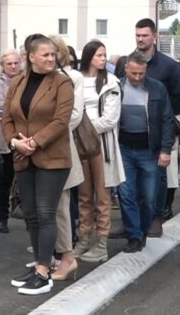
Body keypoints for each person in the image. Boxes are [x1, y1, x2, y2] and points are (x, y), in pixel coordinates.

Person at [2, 34, 74, 295]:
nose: (51, 59)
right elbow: (6, 118)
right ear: (30, 57)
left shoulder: (62, 83)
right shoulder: (17, 83)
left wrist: (33, 142)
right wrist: (14, 142)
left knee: (45, 213)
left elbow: (61, 120)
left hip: (52, 158)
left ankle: (44, 272)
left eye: (53, 54)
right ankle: (39, 265)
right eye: (45, 55)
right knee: (31, 214)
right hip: (23, 157)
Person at [112, 18, 180, 239]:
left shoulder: (169, 66)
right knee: (128, 186)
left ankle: (155, 218)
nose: (141, 39)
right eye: (138, 35)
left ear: (155, 36)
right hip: (128, 138)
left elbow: (177, 100)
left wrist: (166, 141)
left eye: (145, 35)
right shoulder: (126, 62)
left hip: (157, 134)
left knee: (156, 182)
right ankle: (131, 225)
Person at [117, 51, 175, 253]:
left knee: (149, 197)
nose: (137, 77)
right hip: (123, 149)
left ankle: (142, 230)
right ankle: (133, 235)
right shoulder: (116, 88)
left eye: (141, 73)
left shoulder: (157, 88)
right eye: (133, 73)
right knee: (126, 194)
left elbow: (167, 120)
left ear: (146, 70)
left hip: (149, 150)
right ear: (126, 68)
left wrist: (165, 149)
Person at [72, 40, 124, 263]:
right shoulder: (76, 79)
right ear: (89, 56)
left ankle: (101, 244)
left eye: (104, 55)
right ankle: (84, 238)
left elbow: (110, 119)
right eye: (99, 55)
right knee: (84, 195)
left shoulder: (111, 82)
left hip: (101, 144)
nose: (103, 59)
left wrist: (84, 129)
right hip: (80, 144)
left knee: (103, 196)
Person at [48, 35, 85, 281]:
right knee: (42, 208)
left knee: (61, 206)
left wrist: (45, 133)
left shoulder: (73, 78)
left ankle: (67, 258)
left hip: (60, 147)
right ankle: (46, 257)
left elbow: (75, 115)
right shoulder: (37, 79)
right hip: (38, 149)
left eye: (51, 53)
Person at [0, 49, 23, 234]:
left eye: (16, 63)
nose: (13, 66)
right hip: (4, 139)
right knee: (3, 180)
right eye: (9, 63)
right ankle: (1, 218)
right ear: (2, 66)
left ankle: (27, 215)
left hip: (25, 137)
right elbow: (2, 107)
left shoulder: (27, 80)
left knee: (26, 179)